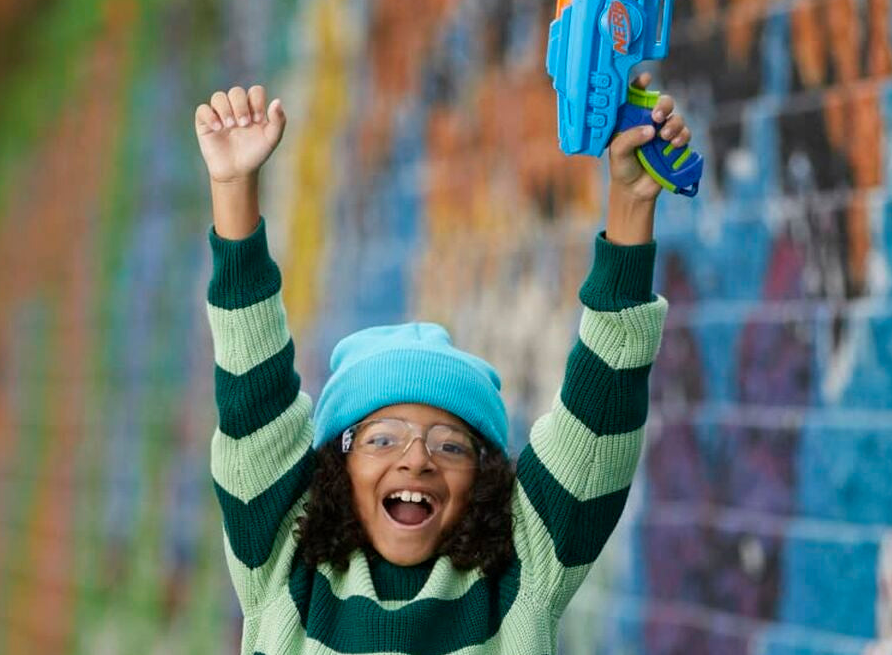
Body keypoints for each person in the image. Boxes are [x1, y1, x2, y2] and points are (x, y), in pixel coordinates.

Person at [194, 74, 690, 653]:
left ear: (482, 480)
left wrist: (631, 200)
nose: (416, 460)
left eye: (451, 446)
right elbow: (253, 390)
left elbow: (600, 409)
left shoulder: (522, 571)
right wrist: (233, 187)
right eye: (382, 439)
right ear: (338, 467)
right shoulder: (283, 562)